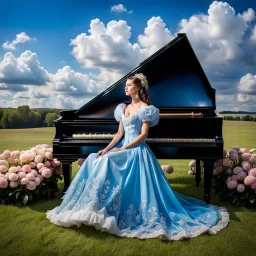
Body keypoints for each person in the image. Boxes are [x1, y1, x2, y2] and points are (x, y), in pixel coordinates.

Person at [46, 73, 230, 240]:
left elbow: (143, 135)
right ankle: (91, 205)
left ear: (138, 88)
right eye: (125, 86)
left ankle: (103, 207)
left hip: (137, 150)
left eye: (128, 85)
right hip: (122, 146)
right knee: (96, 157)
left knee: (108, 160)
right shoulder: (123, 108)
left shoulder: (146, 108)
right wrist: (107, 148)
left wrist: (123, 149)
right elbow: (119, 134)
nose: (125, 88)